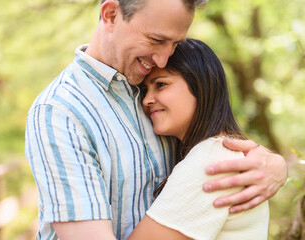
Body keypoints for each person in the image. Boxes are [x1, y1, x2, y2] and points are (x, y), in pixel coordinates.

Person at [25, 0, 287, 239]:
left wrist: (276, 165)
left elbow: (212, 144)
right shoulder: (61, 111)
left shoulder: (148, 87)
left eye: (174, 44)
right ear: (111, 15)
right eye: (155, 40)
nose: (163, 58)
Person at [128, 39, 269, 240]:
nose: (146, 100)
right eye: (145, 90)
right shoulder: (221, 152)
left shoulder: (211, 161)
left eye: (161, 84)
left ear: (200, 85)